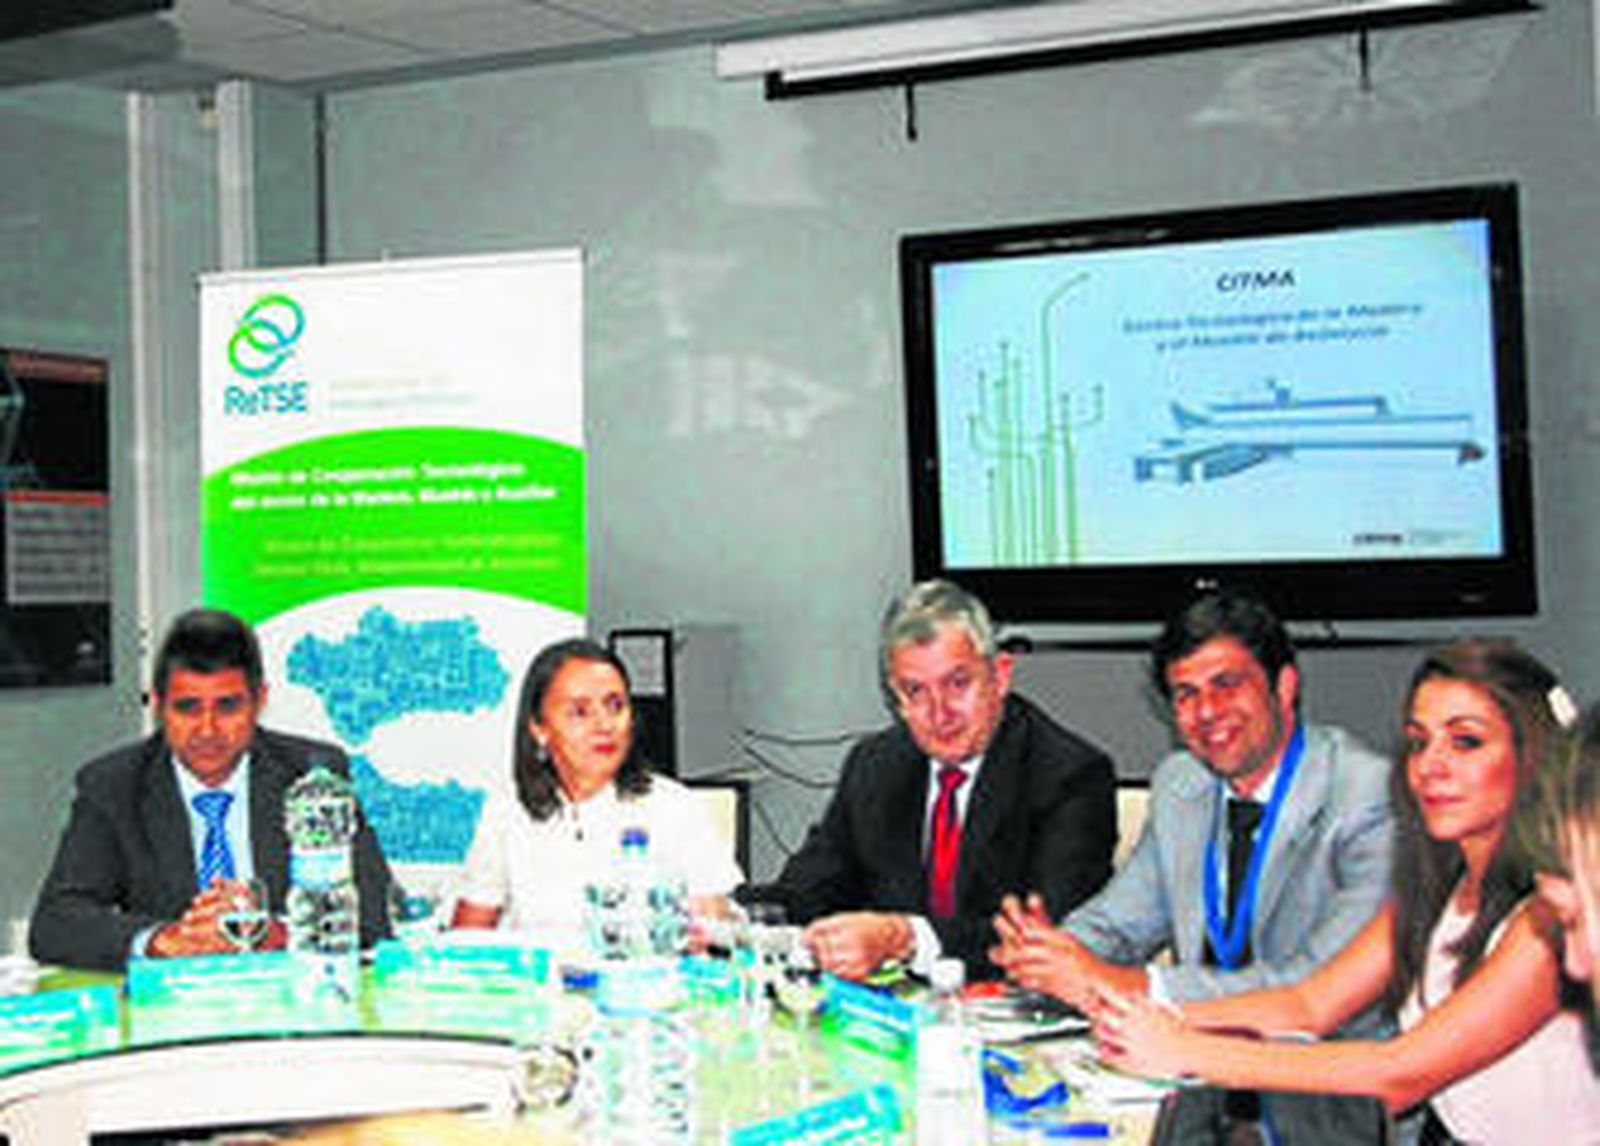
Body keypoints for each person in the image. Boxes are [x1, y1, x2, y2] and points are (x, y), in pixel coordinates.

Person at [1094, 638, 1600, 1142]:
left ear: (1532, 753)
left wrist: (1186, 1049)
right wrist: (1156, 1019)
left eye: (1465, 742)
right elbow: (1309, 1005)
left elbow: (1399, 1074)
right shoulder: (1435, 886)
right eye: (1419, 742)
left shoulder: (1553, 916)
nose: (1431, 766)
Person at [992, 588, 1394, 1015]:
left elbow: (1312, 986)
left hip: (1322, 1052)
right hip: (1190, 1047)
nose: (1207, 712)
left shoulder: (1368, 796)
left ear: (1284, 685)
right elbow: (1118, 925)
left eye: (1227, 685)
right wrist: (1050, 954)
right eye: (1186, 694)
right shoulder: (1182, 785)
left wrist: (1123, 983)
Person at [762, 579, 1117, 981]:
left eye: (958, 683)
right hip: (894, 1008)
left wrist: (905, 938)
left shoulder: (1069, 775)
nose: (940, 712)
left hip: (1013, 1005)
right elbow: (808, 889)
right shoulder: (875, 765)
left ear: (1000, 676)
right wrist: (733, 914)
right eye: (915, 691)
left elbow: (1048, 939)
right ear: (896, 699)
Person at [29, 608, 394, 971]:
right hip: (171, 998)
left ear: (260, 701)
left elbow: (373, 918)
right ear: (158, 706)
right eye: (188, 708)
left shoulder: (311, 778)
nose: (208, 730)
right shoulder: (115, 785)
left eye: (227, 707)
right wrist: (164, 940)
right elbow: (56, 924)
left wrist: (279, 933)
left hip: (288, 993)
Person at [451, 638, 743, 950]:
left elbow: (714, 939)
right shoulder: (507, 811)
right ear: (539, 728)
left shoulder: (675, 807)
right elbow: (465, 942)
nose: (604, 725)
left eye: (615, 706)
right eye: (580, 712)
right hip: (539, 979)